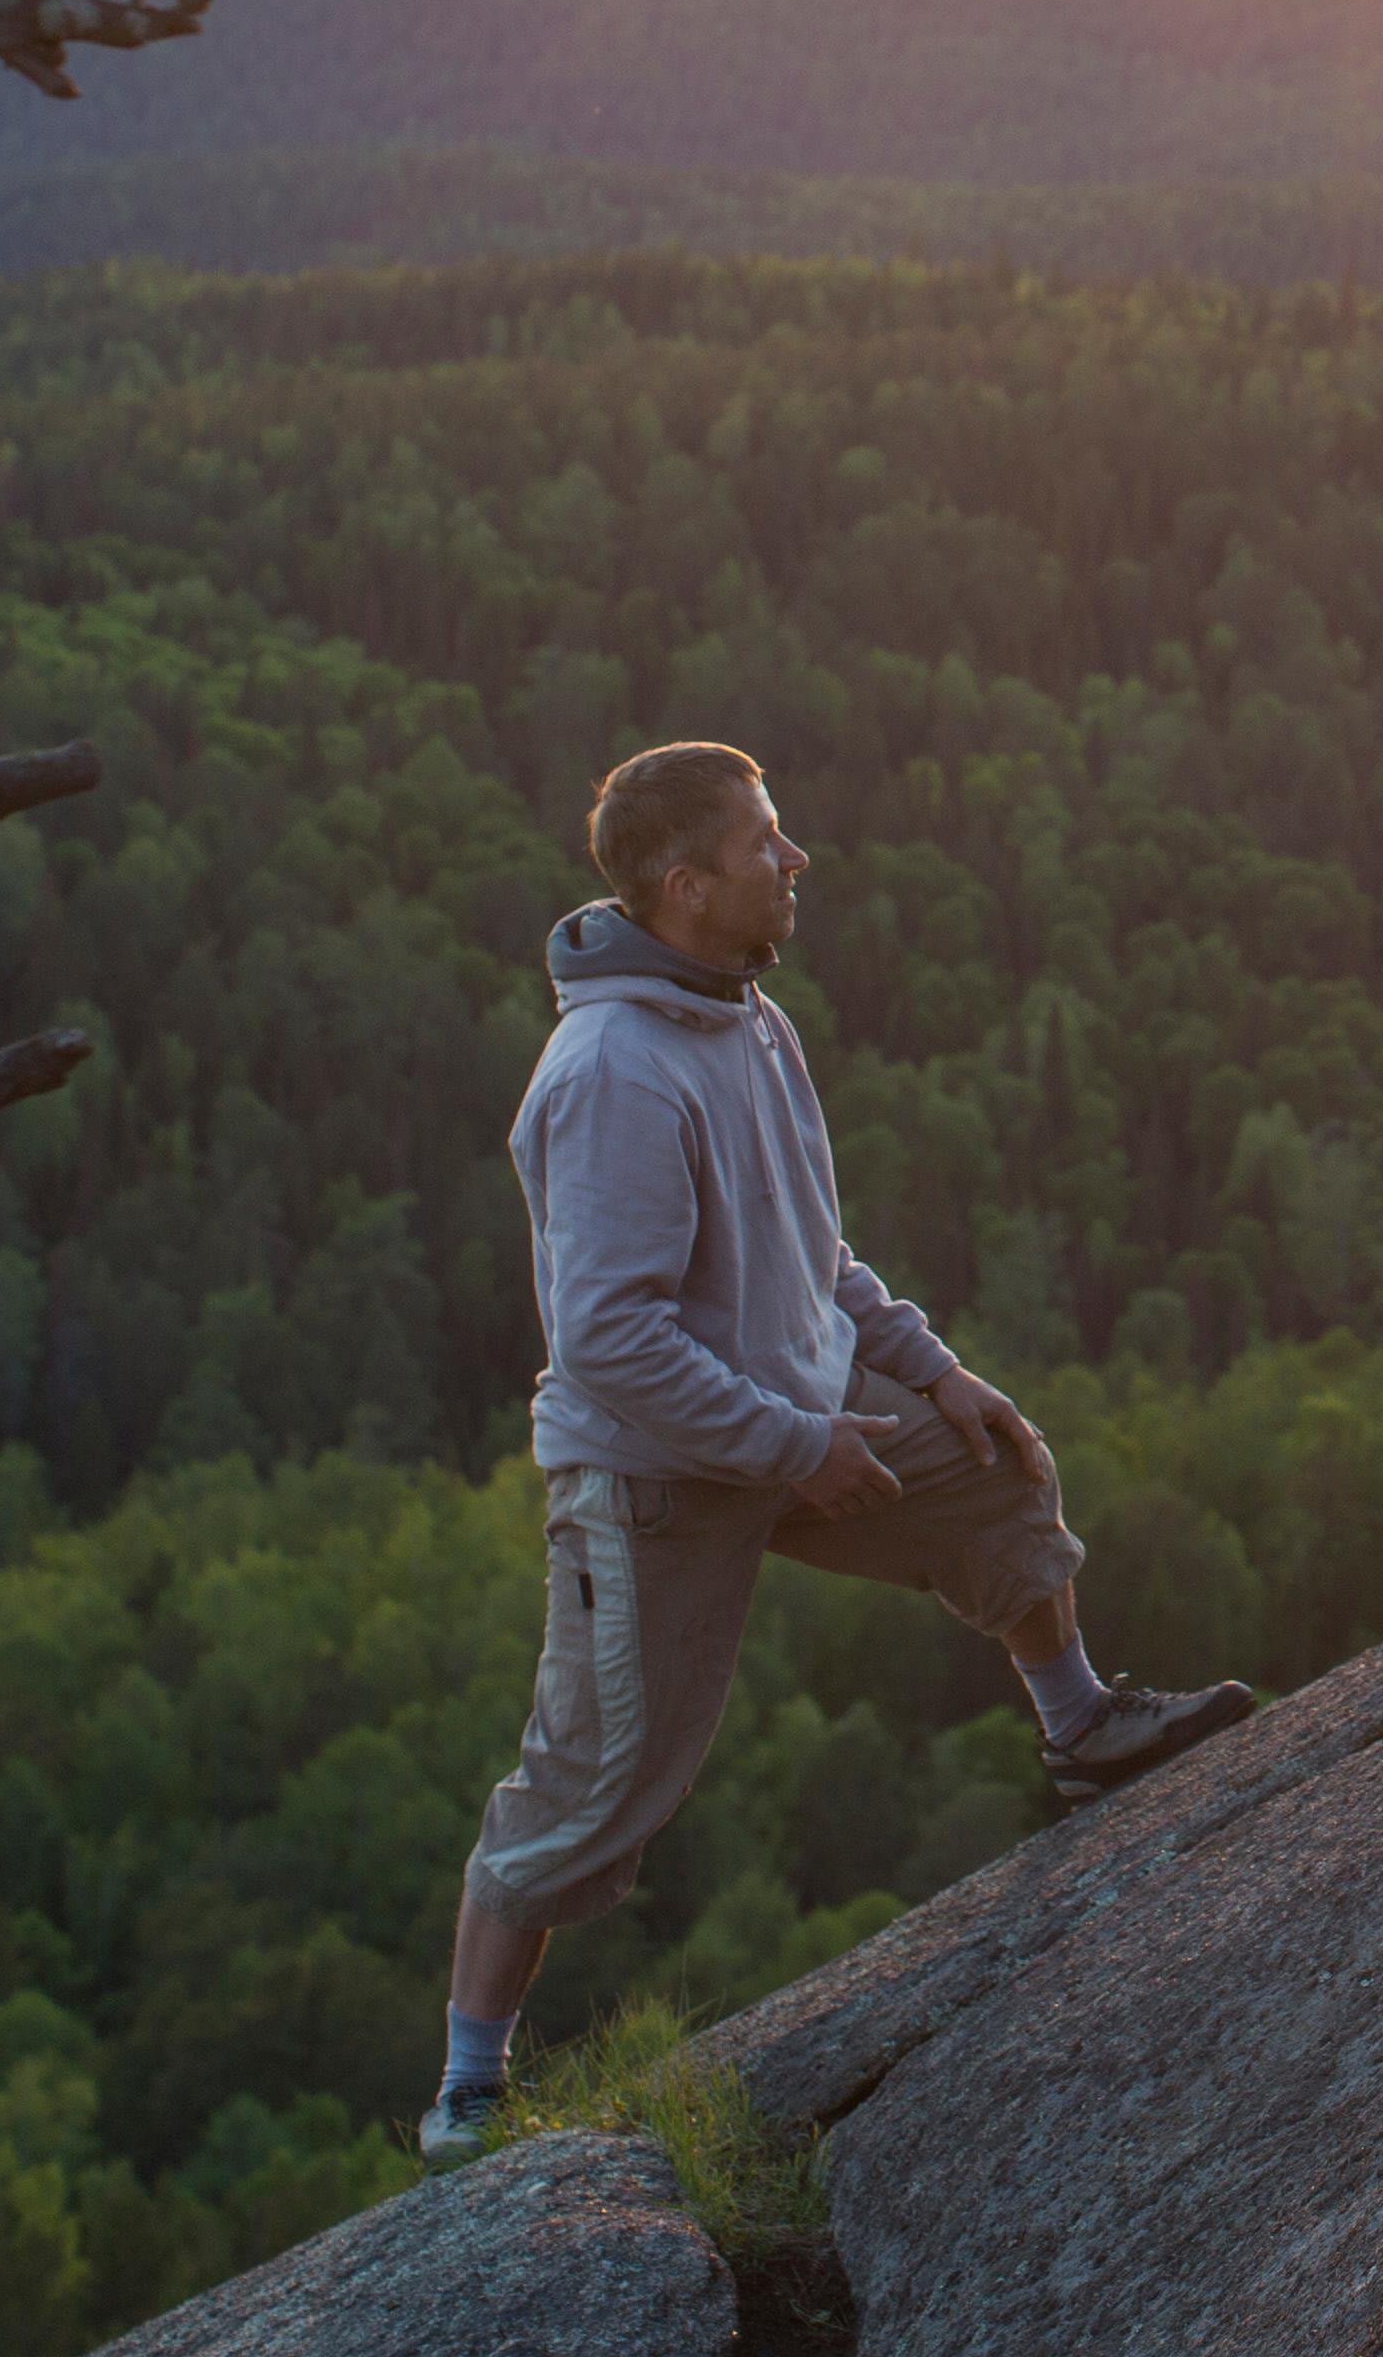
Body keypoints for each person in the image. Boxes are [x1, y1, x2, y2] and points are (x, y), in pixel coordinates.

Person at [423, 741, 1249, 2162]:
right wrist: (797, 1443)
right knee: (591, 1785)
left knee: (996, 1467)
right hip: (657, 1476)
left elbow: (818, 1254)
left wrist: (933, 1370)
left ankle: (1083, 1729)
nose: (794, 861)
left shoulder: (746, 1019)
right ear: (686, 888)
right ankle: (467, 2097)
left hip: (798, 1423)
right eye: (766, 843)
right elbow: (612, 1342)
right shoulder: (615, 1069)